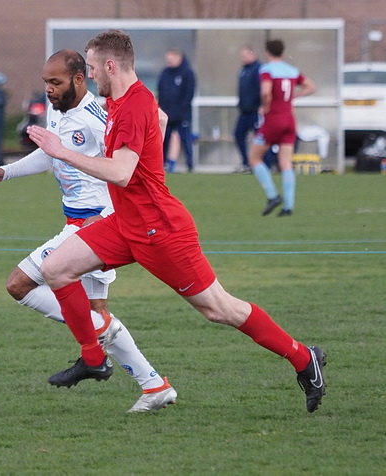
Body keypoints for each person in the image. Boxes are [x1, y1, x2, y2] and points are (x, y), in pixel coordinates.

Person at [27, 29, 327, 413]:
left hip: (160, 230)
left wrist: (61, 152)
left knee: (219, 309)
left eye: (91, 67)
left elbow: (120, 173)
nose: (89, 75)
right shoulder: (124, 99)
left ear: (110, 65)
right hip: (126, 223)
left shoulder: (132, 104)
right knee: (56, 269)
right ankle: (93, 358)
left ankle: (304, 358)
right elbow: (162, 118)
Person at [0, 49, 176, 413]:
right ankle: (154, 385)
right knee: (97, 315)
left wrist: (110, 217)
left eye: (56, 82)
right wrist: (5, 172)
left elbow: (128, 164)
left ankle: (95, 350)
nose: (48, 89)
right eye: (46, 82)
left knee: (19, 284)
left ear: (80, 79)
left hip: (97, 224)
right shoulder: (58, 108)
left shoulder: (98, 118)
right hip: (79, 222)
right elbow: (51, 154)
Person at [249, 39, 316, 217]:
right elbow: (311, 86)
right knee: (285, 162)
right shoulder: (292, 70)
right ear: (283, 53)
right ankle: (288, 206)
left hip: (274, 119)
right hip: (290, 120)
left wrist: (266, 106)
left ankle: (272, 196)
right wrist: (294, 97)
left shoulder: (267, 69)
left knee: (254, 157)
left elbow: (265, 91)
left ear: (267, 53)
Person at [157, 47, 195, 173]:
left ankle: (190, 165)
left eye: (171, 58)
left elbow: (189, 95)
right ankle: (161, 164)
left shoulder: (187, 73)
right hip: (167, 115)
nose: (169, 61)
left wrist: (181, 111)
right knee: (164, 140)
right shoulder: (165, 73)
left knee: (185, 139)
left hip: (181, 115)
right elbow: (161, 92)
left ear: (179, 57)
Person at [233, 45, 261, 174]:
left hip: (256, 111)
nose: (243, 58)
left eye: (245, 55)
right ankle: (246, 162)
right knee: (238, 134)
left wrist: (261, 105)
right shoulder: (243, 70)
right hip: (244, 111)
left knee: (260, 139)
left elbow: (262, 90)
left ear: (253, 55)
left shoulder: (259, 69)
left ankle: (264, 164)